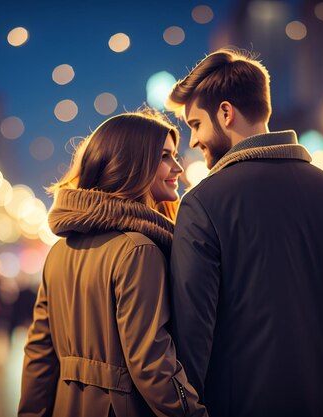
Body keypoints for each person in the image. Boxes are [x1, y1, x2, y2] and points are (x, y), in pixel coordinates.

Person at [165, 49, 323, 417]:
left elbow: (191, 346)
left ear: (225, 112)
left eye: (195, 124)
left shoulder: (203, 204)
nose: (193, 141)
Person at [18, 110, 207, 417]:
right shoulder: (138, 250)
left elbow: (39, 355)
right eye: (164, 156)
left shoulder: (59, 252)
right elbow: (153, 365)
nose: (178, 166)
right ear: (132, 163)